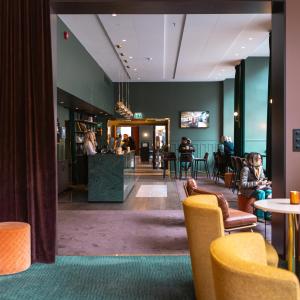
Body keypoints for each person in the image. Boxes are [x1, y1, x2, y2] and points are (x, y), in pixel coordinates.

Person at [240, 152, 272, 219]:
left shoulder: (260, 168)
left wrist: (266, 182)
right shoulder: (246, 169)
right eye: (257, 159)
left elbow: (262, 178)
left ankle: (268, 215)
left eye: (260, 158)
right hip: (248, 190)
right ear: (250, 160)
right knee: (261, 193)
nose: (259, 160)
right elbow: (243, 184)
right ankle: (259, 216)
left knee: (269, 191)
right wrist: (256, 183)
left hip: (257, 188)